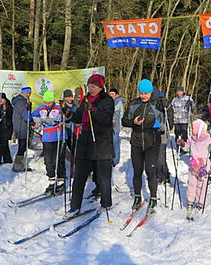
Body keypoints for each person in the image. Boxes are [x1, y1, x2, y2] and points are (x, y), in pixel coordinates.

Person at [66, 74, 114, 216]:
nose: (91, 89)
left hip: (101, 144)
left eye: (94, 86)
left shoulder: (107, 100)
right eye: (89, 86)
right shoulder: (85, 100)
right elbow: (79, 117)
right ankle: (75, 205)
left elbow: (106, 119)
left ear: (100, 87)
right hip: (85, 143)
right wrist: (68, 113)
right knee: (79, 176)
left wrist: (94, 110)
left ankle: (106, 203)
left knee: (103, 177)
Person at [122, 79, 170, 214]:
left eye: (146, 93)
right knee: (137, 171)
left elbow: (168, 121)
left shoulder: (157, 104)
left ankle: (153, 197)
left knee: (150, 171)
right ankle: (137, 197)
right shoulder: (133, 104)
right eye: (141, 93)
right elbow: (124, 121)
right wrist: (133, 122)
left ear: (151, 93)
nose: (144, 96)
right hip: (136, 142)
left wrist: (167, 108)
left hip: (152, 142)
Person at [177, 119, 211, 219]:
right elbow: (187, 148)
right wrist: (182, 144)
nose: (191, 129)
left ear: (199, 128)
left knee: (202, 184)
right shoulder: (192, 139)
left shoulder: (207, 139)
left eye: (193, 128)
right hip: (193, 165)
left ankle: (200, 202)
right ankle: (190, 201)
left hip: (203, 166)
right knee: (191, 183)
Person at [31, 90, 66, 195]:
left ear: (53, 101)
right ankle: (51, 181)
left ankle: (61, 181)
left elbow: (66, 115)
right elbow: (32, 116)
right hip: (47, 138)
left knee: (58, 159)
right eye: (46, 102)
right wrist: (32, 120)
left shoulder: (58, 108)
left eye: (49, 102)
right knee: (48, 161)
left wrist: (63, 111)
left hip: (58, 137)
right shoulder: (41, 108)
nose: (47, 104)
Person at [12, 86, 33, 172]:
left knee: (23, 146)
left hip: (20, 126)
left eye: (29, 93)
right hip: (21, 126)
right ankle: (18, 165)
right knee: (22, 147)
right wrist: (31, 122)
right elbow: (25, 115)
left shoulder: (21, 100)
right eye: (27, 93)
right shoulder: (21, 102)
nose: (28, 94)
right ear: (23, 93)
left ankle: (20, 164)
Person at [0, 93, 13, 165]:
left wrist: (8, 123)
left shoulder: (9, 107)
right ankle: (8, 159)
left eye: (2, 99)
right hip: (1, 128)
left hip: (7, 128)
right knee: (5, 144)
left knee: (2, 144)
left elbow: (11, 118)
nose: (1, 100)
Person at [108, 88, 125, 167]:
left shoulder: (119, 102)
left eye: (113, 94)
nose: (111, 95)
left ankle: (116, 159)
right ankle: (110, 158)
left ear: (116, 94)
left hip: (116, 125)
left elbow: (121, 114)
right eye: (110, 93)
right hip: (108, 125)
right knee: (109, 143)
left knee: (115, 142)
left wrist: (120, 124)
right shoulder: (107, 101)